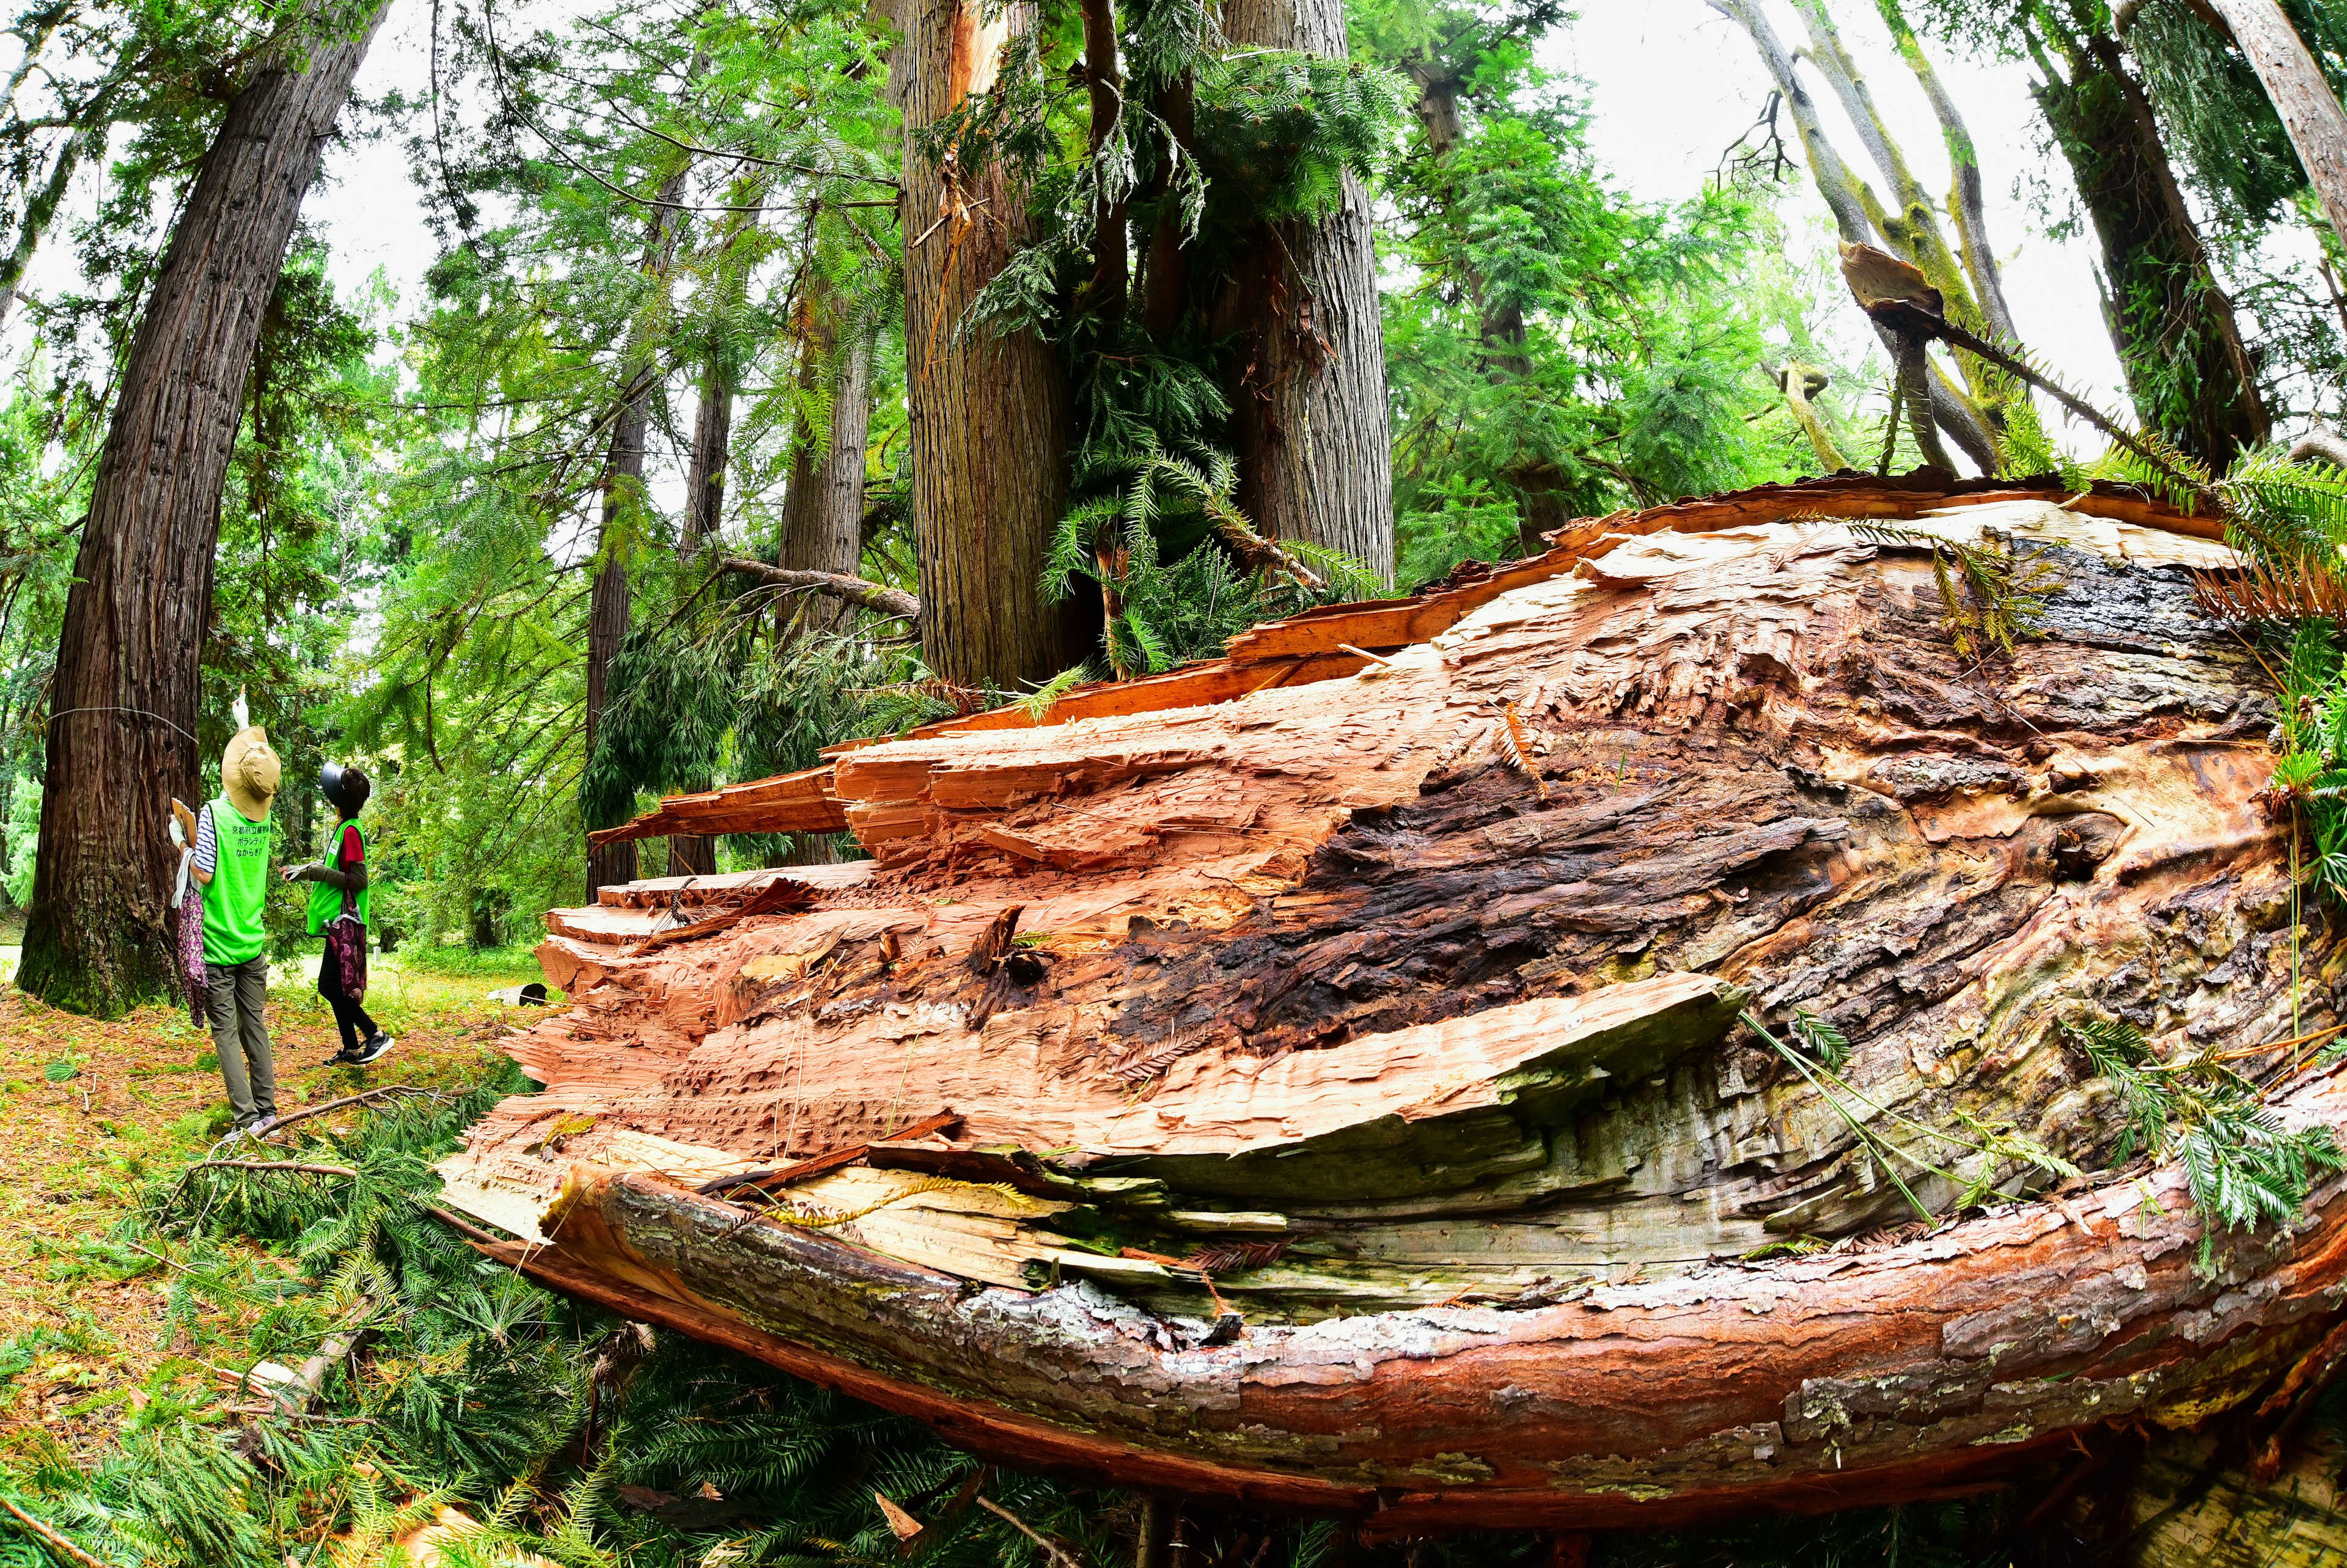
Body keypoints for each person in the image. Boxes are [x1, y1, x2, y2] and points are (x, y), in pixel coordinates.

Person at [171, 719, 281, 1134]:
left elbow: (203, 872)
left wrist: (180, 842)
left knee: (225, 1033)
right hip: (251, 941)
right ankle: (267, 1111)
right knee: (254, 1024)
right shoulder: (262, 816)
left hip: (218, 942)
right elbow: (247, 789)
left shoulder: (213, 813)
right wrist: (244, 725)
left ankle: (246, 1119)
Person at [285, 762, 393, 1066]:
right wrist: (304, 872)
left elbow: (359, 880)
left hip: (345, 923)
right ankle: (353, 1047)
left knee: (329, 986)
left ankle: (374, 1034)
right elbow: (333, 870)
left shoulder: (351, 832)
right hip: (336, 922)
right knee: (335, 986)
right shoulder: (344, 829)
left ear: (338, 800)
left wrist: (320, 872)